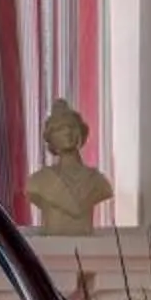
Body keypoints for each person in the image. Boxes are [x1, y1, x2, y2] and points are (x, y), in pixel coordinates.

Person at [23, 96, 114, 235]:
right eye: (59, 128)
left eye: (71, 126)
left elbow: (105, 190)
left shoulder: (97, 181)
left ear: (80, 133)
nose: (67, 132)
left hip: (85, 249)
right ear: (50, 138)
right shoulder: (39, 181)